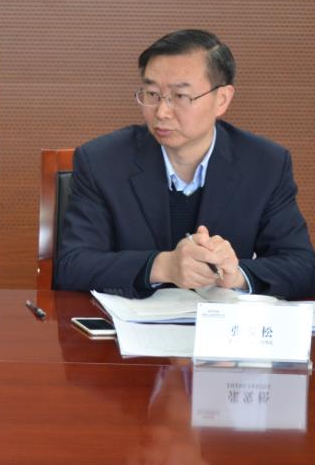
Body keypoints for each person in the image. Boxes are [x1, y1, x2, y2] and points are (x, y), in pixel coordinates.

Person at [57, 29, 315, 300]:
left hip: (222, 325)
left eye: (180, 96)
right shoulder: (102, 161)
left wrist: (237, 275)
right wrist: (161, 266)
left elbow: (303, 267)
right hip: (129, 324)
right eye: (152, 93)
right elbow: (72, 266)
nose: (161, 112)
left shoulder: (265, 164)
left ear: (222, 99)